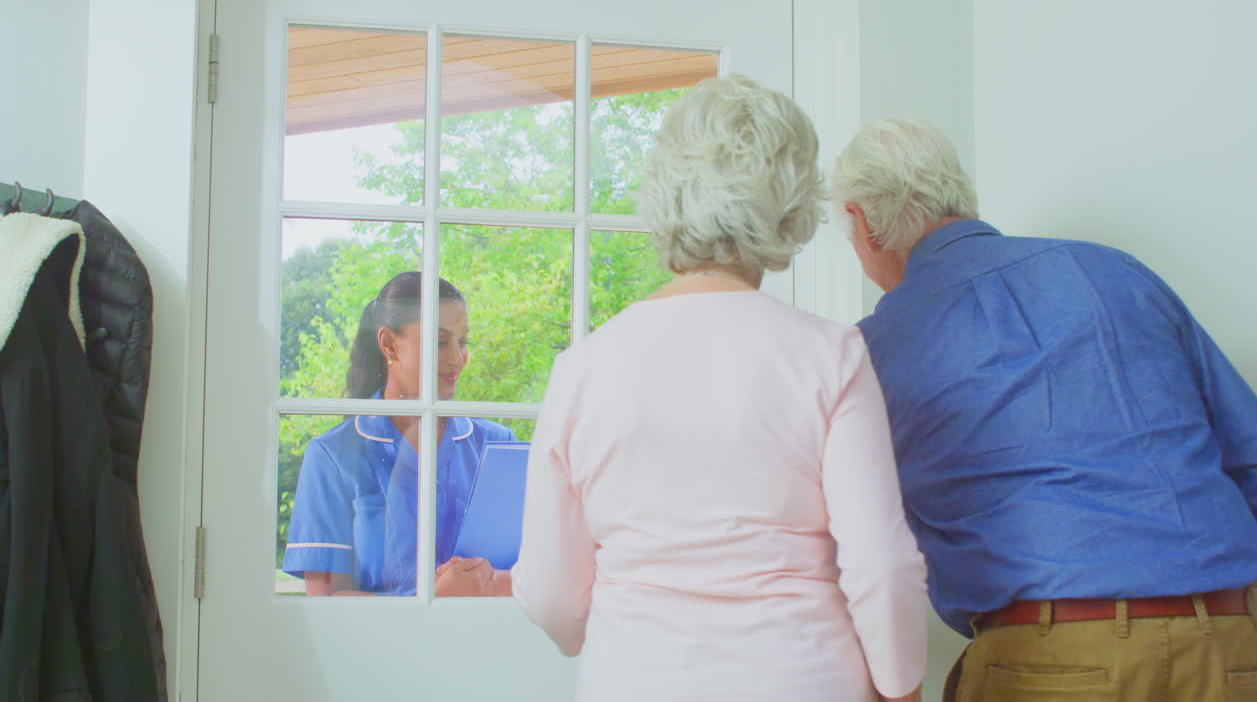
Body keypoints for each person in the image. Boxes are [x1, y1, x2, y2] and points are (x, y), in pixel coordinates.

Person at [511, 74, 928, 702]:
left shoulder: (584, 367)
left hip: (633, 680)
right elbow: (881, 565)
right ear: (792, 203)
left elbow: (549, 592)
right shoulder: (831, 354)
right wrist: (900, 684)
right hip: (805, 678)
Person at [833, 117, 1257, 701]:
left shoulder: (873, 346)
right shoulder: (1114, 271)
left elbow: (863, 543)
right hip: (1234, 643)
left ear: (862, 224)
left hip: (1053, 661)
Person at [283, 273, 516, 597]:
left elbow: (537, 576)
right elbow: (327, 599)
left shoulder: (499, 445)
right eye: (439, 342)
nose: (457, 358)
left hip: (492, 646)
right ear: (389, 344)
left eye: (463, 342)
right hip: (381, 648)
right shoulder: (332, 457)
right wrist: (436, 601)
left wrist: (480, 588)